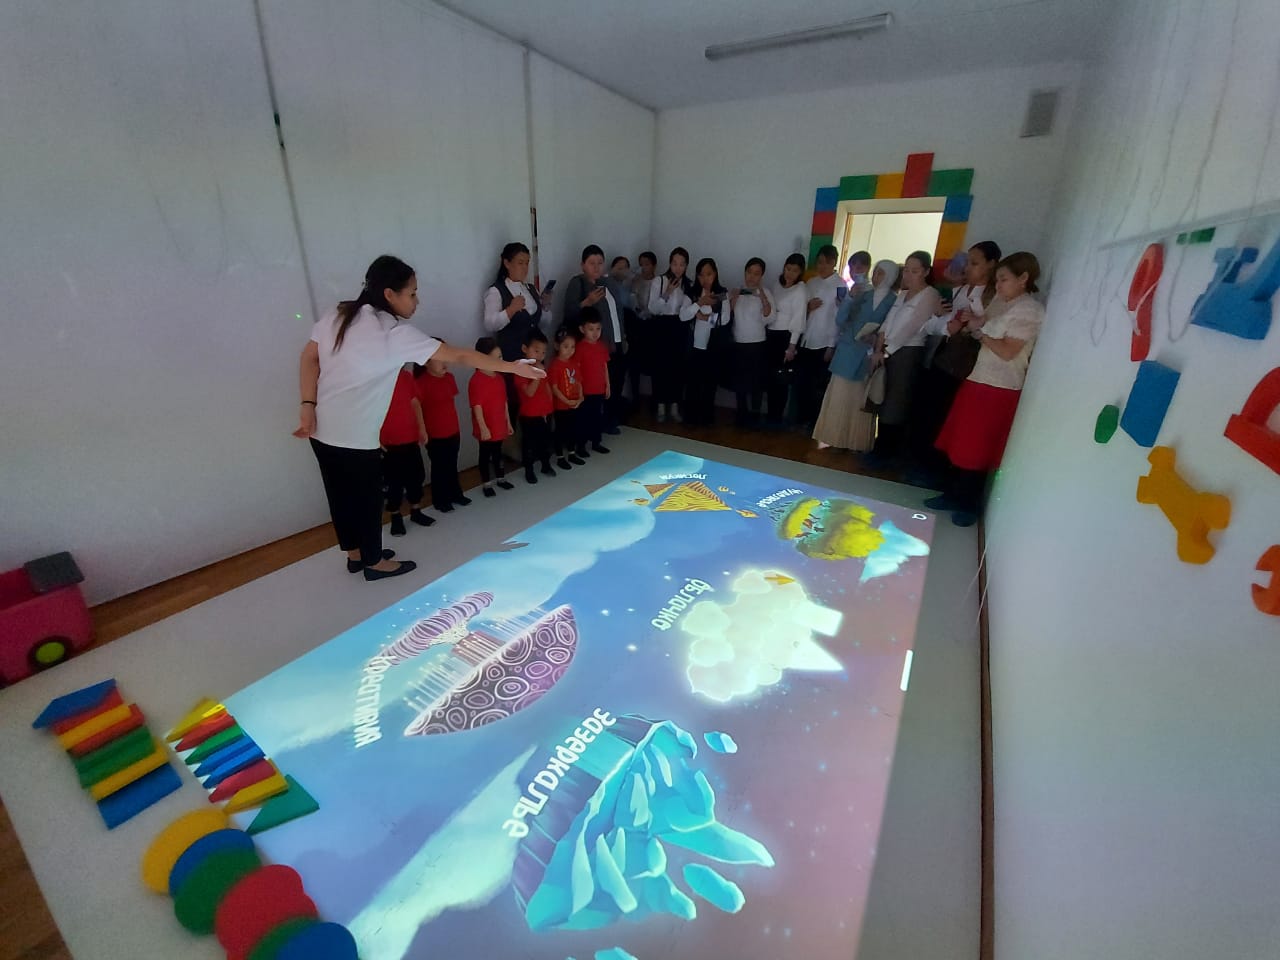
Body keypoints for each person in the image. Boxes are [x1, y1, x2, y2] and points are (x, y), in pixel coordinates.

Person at [294, 255, 543, 581]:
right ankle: (373, 562)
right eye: (411, 294)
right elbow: (460, 355)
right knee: (367, 499)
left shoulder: (340, 314)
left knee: (340, 495)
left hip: (321, 428)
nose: (417, 301)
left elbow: (309, 357)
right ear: (389, 294)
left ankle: (355, 555)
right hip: (354, 436)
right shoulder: (393, 333)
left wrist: (307, 404)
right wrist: (512, 367)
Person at [930, 252, 1045, 525]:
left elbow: (1008, 351)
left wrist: (980, 332)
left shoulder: (1029, 310)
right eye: (998, 280)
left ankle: (968, 504)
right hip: (978, 378)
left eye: (1004, 279)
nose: (999, 285)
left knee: (978, 447)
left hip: (1000, 386)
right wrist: (974, 322)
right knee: (961, 440)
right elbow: (983, 325)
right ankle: (952, 494)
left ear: (1023, 278)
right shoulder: (1000, 301)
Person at [910, 241, 1003, 482]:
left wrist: (962, 328)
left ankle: (938, 472)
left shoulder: (993, 296)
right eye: (968, 262)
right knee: (928, 413)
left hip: (965, 367)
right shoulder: (961, 290)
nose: (968, 268)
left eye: (975, 263)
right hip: (944, 358)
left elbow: (987, 330)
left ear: (991, 265)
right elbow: (941, 324)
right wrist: (946, 322)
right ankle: (921, 464)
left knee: (947, 418)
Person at [865, 250, 943, 468]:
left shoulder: (930, 295)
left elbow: (911, 328)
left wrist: (886, 352)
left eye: (914, 271)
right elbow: (887, 324)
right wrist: (879, 348)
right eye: (906, 270)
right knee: (882, 397)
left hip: (907, 353)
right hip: (887, 351)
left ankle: (888, 453)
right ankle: (879, 448)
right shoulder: (902, 295)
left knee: (896, 402)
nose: (908, 275)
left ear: (926, 272)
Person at [813, 260, 899, 452]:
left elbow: (892, 329)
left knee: (860, 401)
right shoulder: (863, 294)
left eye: (881, 273)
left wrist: (876, 339)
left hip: (868, 356)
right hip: (848, 350)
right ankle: (834, 439)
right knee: (840, 398)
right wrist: (850, 299)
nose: (876, 277)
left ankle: (855, 443)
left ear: (891, 276)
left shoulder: (894, 301)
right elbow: (841, 320)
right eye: (875, 272)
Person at [380, 367, 434, 536]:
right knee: (393, 483)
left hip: (410, 438)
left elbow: (415, 402)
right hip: (389, 443)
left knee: (415, 477)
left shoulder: (406, 377)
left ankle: (416, 510)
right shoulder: (375, 378)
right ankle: (395, 517)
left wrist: (422, 427)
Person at [795, 244, 844, 431]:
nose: (823, 266)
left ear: (834, 263)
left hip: (824, 342)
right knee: (802, 383)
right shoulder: (811, 283)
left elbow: (838, 318)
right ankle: (800, 419)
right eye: (820, 262)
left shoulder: (840, 285)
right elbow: (801, 310)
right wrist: (808, 307)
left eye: (827, 262)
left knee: (818, 385)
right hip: (806, 339)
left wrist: (832, 345)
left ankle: (814, 423)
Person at [681, 258, 731, 426]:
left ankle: (707, 418)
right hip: (694, 346)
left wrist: (705, 318)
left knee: (710, 385)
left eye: (709, 274)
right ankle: (690, 418)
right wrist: (699, 303)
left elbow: (725, 319)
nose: (705, 278)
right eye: (701, 275)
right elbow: (683, 315)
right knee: (692, 384)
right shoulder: (692, 293)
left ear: (715, 274)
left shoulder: (721, 293)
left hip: (713, 346)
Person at [483, 242, 553, 362]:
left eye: (527, 263)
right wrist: (510, 310)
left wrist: (545, 306)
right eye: (520, 263)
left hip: (535, 358)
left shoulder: (531, 289)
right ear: (507, 263)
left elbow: (542, 324)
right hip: (512, 356)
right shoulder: (496, 291)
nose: (525, 268)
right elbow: (489, 324)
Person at [416, 351, 468, 513]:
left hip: (453, 430)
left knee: (452, 463)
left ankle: (456, 494)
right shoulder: (420, 383)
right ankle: (440, 499)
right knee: (439, 467)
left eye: (446, 359)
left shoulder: (449, 378)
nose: (445, 363)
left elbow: (450, 403)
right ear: (426, 362)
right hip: (435, 434)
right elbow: (416, 409)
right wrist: (422, 430)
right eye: (439, 360)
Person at [647, 247, 694, 423]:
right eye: (674, 263)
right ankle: (660, 406)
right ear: (669, 263)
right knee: (660, 367)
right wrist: (667, 293)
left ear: (686, 266)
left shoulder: (689, 284)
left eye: (682, 264)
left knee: (677, 367)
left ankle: (674, 406)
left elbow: (687, 310)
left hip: (679, 326)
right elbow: (652, 308)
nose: (678, 268)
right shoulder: (659, 281)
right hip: (661, 325)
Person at [468, 337, 515, 498]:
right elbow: (477, 406)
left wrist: (508, 422)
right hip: (486, 426)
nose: (500, 361)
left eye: (500, 357)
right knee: (485, 454)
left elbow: (504, 402)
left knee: (497, 452)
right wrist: (483, 427)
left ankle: (501, 477)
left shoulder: (500, 378)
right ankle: (486, 483)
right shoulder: (476, 380)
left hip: (499, 423)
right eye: (496, 358)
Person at [729, 257, 772, 426]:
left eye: (756, 273)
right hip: (739, 342)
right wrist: (733, 299)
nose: (752, 277)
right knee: (740, 382)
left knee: (756, 382)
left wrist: (762, 298)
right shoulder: (738, 290)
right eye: (749, 272)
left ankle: (755, 416)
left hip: (757, 343)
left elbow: (769, 318)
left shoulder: (765, 292)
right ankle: (741, 414)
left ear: (761, 276)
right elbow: (728, 315)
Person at [767, 253, 809, 425]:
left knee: (781, 379)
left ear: (800, 272)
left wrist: (792, 346)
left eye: (795, 270)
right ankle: (770, 415)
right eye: (788, 269)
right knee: (771, 378)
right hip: (771, 334)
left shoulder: (800, 290)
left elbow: (799, 318)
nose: (790, 273)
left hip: (786, 337)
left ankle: (776, 418)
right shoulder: (777, 285)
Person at [517, 329, 556, 483]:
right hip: (529, 414)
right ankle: (529, 470)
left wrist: (550, 407)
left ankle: (546, 465)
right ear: (524, 349)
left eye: (543, 352)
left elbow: (547, 388)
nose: (540, 355)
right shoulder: (520, 370)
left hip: (545, 412)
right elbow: (529, 392)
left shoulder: (542, 367)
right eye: (536, 351)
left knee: (545, 441)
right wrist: (537, 376)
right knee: (529, 444)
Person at [547, 327, 586, 470]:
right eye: (566, 346)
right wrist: (566, 401)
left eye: (572, 347)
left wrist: (580, 397)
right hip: (561, 406)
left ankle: (572, 453)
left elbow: (579, 381)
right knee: (561, 431)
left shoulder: (574, 363)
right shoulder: (555, 365)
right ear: (557, 346)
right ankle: (560, 457)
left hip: (575, 403)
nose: (570, 350)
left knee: (573, 429)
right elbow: (554, 388)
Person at [574, 310, 612, 454]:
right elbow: (576, 370)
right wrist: (579, 389)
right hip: (585, 391)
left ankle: (596, 442)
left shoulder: (602, 346)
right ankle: (581, 445)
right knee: (584, 418)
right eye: (591, 329)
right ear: (582, 329)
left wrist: (607, 385)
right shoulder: (579, 348)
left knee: (597, 417)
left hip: (599, 389)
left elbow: (604, 366)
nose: (595, 333)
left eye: (598, 329)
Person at [627, 251, 658, 405]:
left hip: (653, 325)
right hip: (638, 325)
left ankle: (655, 398)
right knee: (634, 363)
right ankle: (635, 397)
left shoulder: (658, 282)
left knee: (654, 363)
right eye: (641, 264)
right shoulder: (636, 281)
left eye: (647, 264)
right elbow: (632, 300)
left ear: (654, 265)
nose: (644, 267)